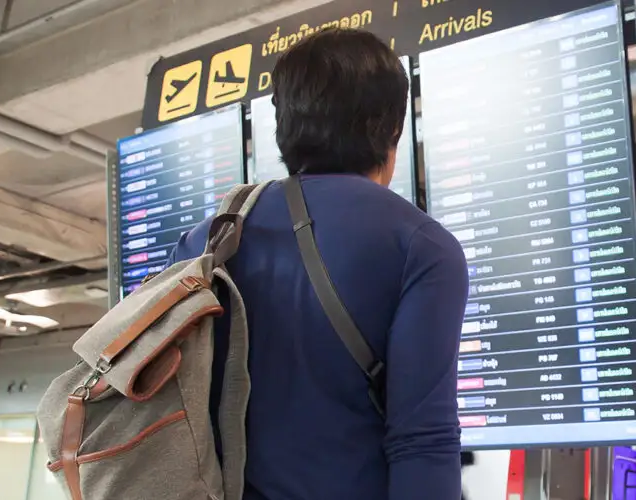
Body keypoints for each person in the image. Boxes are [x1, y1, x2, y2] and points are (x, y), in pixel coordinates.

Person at [170, 29, 468, 499]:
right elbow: (422, 442)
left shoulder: (202, 243)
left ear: (284, 127)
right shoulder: (421, 246)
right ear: (391, 127)